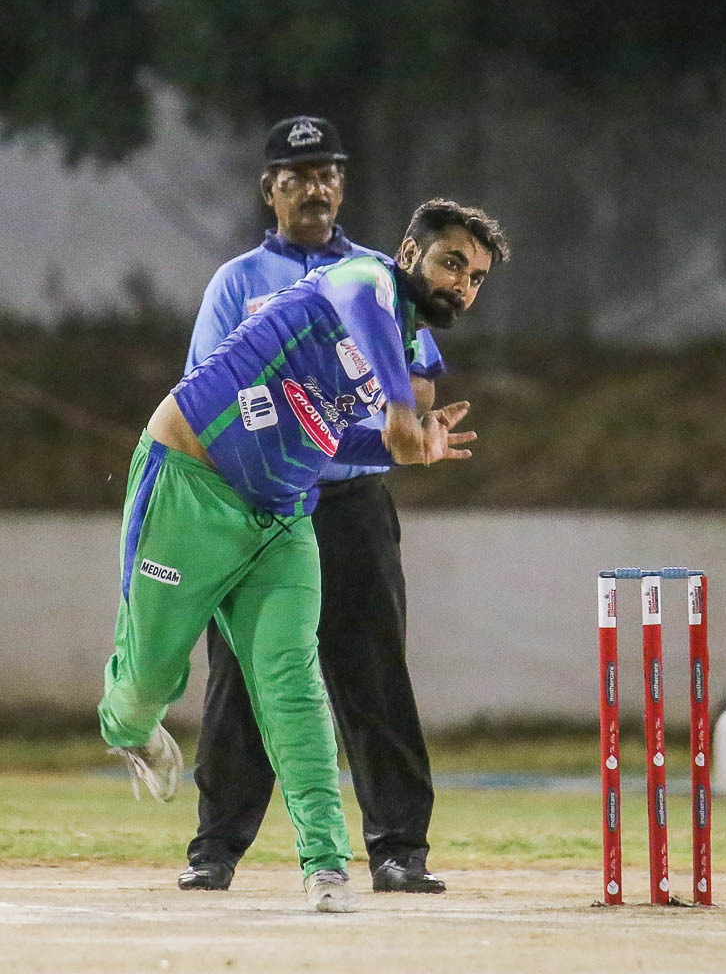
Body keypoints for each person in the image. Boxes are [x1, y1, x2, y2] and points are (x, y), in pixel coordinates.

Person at [98, 192, 508, 914]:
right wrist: (400, 410)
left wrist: (407, 446)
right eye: (451, 264)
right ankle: (128, 728)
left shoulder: (406, 345)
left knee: (293, 687)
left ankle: (326, 865)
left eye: (475, 278)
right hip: (190, 486)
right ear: (409, 253)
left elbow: (329, 429)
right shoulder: (363, 278)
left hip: (282, 518)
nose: (462, 286)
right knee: (149, 680)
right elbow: (373, 329)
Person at [178, 116, 455, 898]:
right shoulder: (238, 283)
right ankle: (216, 848)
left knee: (372, 674)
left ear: (343, 184)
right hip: (261, 508)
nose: (315, 188)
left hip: (351, 503)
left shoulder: (377, 275)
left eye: (328, 173)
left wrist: (410, 416)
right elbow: (208, 388)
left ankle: (399, 850)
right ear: (269, 190)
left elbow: (420, 376)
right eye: (297, 176)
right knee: (241, 678)